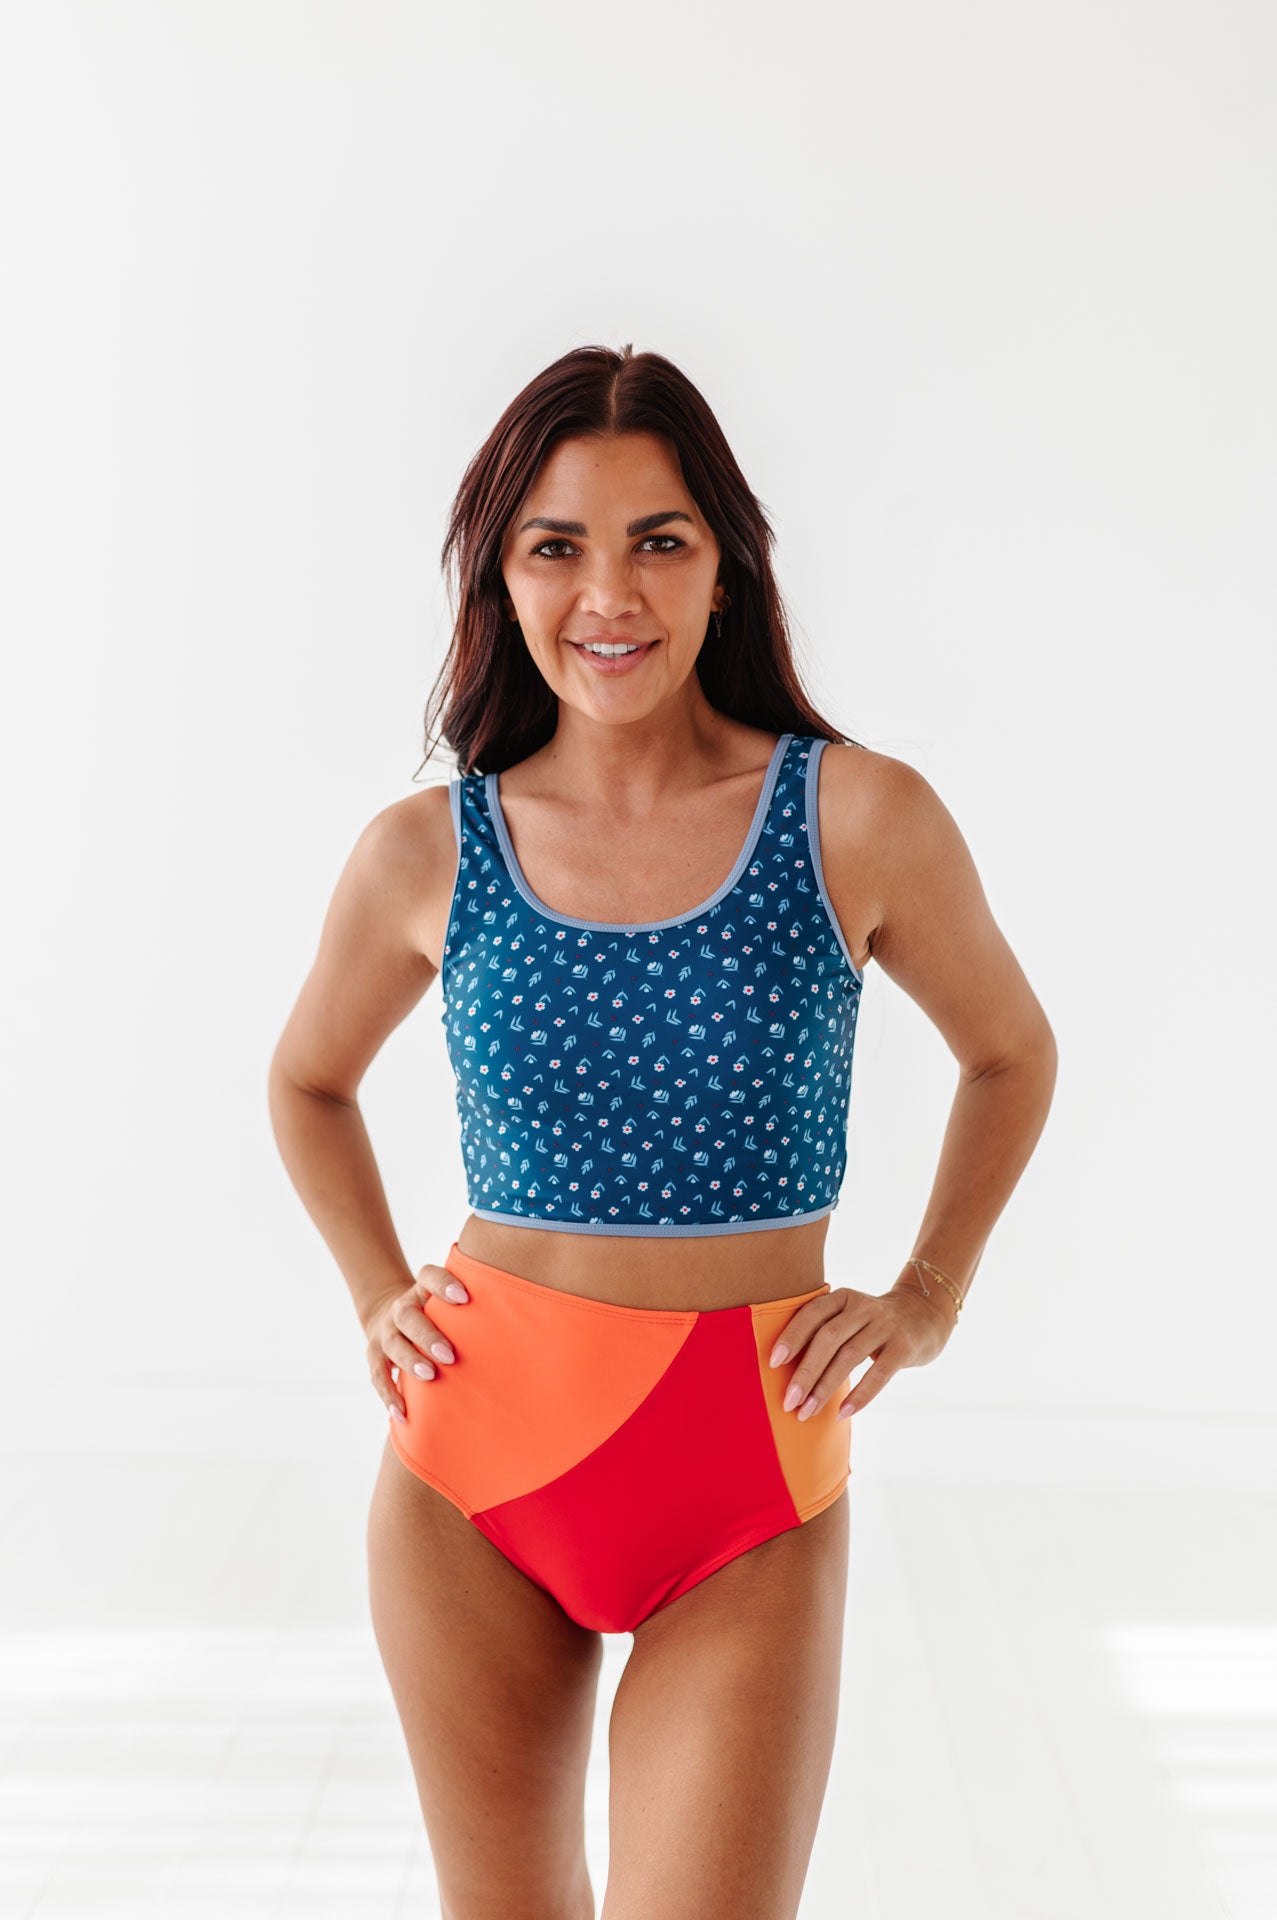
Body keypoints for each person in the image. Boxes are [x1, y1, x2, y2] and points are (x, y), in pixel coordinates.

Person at [268, 343, 1057, 1920]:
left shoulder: (853, 818)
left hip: (746, 1475)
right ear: (500, 577)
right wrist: (373, 1291)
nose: (608, 594)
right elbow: (308, 1082)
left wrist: (924, 1297)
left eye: (658, 540)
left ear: (724, 568)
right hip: (475, 1472)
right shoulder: (428, 851)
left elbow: (1007, 1053)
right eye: (555, 545)